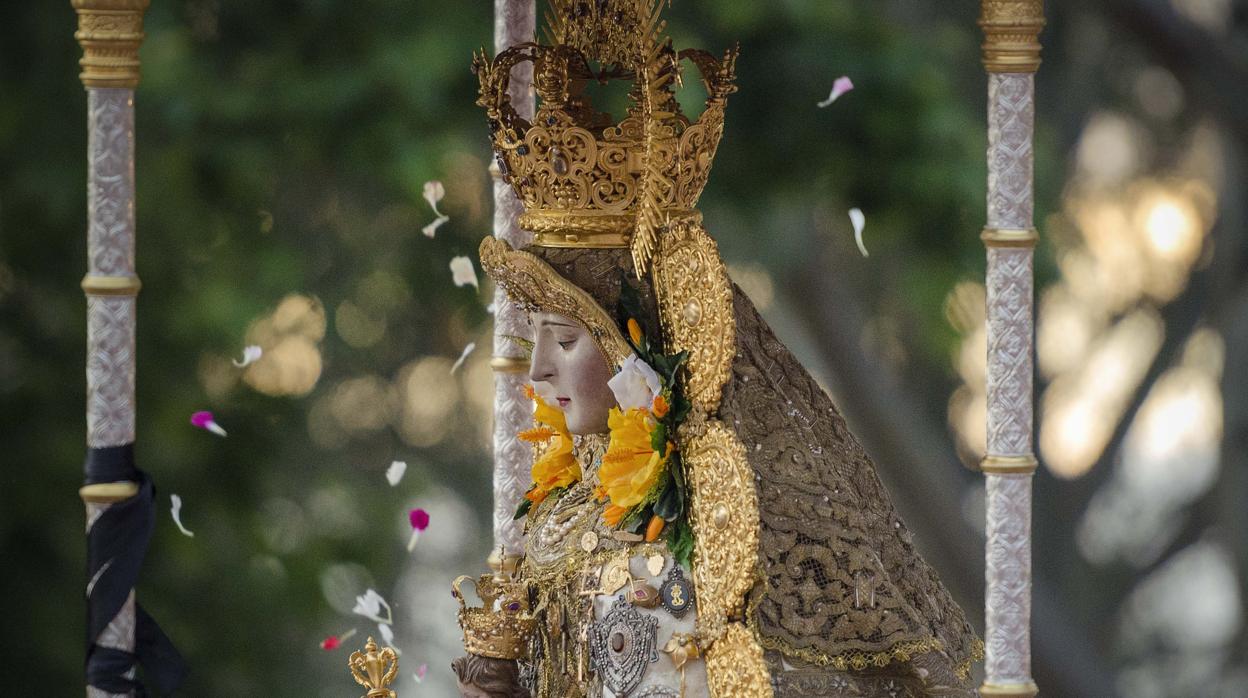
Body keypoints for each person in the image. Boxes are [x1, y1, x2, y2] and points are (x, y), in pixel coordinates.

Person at [454, 2, 981, 696]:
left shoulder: (714, 528)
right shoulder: (558, 512)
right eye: (536, 340)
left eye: (564, 338)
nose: (541, 369)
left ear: (629, 349)